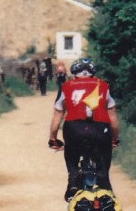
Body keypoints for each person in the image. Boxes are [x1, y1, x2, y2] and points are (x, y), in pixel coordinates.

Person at [48, 58, 120, 201]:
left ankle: (73, 180)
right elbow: (113, 119)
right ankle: (105, 184)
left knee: (71, 152)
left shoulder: (65, 87)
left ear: (74, 73)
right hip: (100, 129)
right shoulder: (104, 86)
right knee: (103, 165)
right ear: (93, 72)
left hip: (74, 129)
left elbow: (57, 117)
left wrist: (53, 139)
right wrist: (114, 138)